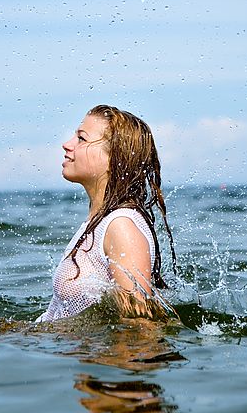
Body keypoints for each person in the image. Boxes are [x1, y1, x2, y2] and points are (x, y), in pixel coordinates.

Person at [37, 104, 177, 322]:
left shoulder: (121, 226)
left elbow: (140, 325)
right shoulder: (98, 222)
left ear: (114, 157)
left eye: (81, 139)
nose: (67, 145)